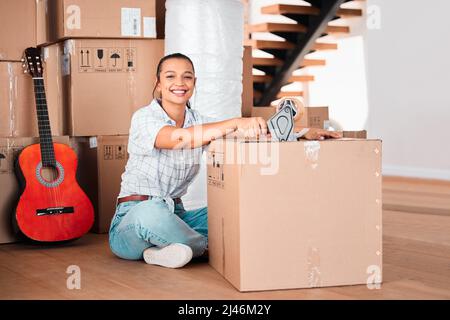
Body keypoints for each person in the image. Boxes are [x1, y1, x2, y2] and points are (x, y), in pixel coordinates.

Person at [108, 53, 342, 269]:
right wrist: (235, 122)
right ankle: (204, 247)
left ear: (194, 83)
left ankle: (164, 251)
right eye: (170, 76)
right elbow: (180, 138)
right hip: (134, 218)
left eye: (187, 77)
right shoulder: (143, 117)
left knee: (233, 212)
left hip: (176, 216)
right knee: (151, 212)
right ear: (158, 83)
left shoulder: (199, 120)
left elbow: (250, 132)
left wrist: (302, 132)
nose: (179, 83)